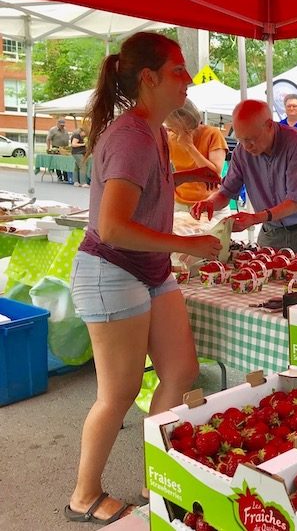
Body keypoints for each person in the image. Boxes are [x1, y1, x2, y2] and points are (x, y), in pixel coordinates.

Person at [66, 32, 222, 525]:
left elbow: (139, 191)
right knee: (118, 391)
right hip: (110, 270)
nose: (189, 79)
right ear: (148, 79)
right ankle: (84, 496)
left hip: (148, 271)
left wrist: (176, 181)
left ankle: (157, 477)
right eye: (179, 70)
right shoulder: (132, 135)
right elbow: (111, 227)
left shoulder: (152, 129)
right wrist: (188, 244)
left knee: (179, 369)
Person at [192, 99, 297, 259]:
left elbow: (294, 203)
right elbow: (227, 192)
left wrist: (254, 218)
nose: (247, 146)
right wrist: (210, 203)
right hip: (271, 233)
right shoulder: (242, 152)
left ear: (269, 126)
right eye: (241, 139)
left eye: (252, 139)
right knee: (263, 282)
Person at [165, 99, 228, 213]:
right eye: (172, 128)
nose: (172, 130)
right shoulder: (170, 138)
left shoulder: (212, 134)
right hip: (180, 204)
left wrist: (189, 146)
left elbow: (214, 174)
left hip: (211, 202)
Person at [47, 117, 71, 181]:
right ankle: (59, 176)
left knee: (65, 162)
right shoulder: (53, 130)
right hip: (56, 147)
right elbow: (48, 139)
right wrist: (48, 148)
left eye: (63, 125)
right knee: (58, 162)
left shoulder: (65, 130)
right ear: (58, 123)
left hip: (64, 148)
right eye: (61, 125)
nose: (62, 126)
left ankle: (66, 177)